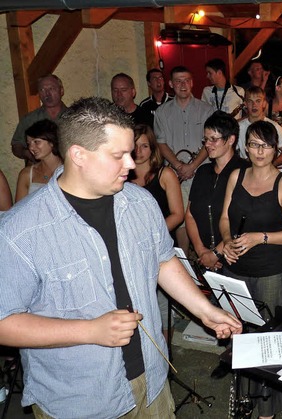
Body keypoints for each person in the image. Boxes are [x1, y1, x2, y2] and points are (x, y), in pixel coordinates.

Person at [0, 97, 241, 418]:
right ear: (78, 155)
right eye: (118, 155)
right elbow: (4, 322)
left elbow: (163, 260)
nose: (131, 164)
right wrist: (89, 331)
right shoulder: (20, 230)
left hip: (151, 379)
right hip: (79, 397)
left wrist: (204, 310)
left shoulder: (139, 202)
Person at [219, 121, 282, 419]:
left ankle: (268, 411)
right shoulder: (235, 176)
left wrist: (260, 238)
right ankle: (245, 401)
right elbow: (225, 219)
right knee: (241, 338)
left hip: (270, 271)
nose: (259, 151)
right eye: (254, 144)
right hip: (236, 270)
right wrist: (227, 241)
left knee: (268, 342)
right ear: (245, 146)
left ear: (276, 149)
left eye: (266, 145)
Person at [128, 124, 184, 342]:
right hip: (131, 247)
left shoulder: (165, 174)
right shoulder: (122, 176)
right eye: (135, 146)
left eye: (144, 146)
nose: (139, 151)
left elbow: (177, 214)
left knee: (161, 302)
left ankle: (165, 347)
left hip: (158, 245)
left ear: (153, 148)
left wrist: (152, 237)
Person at [155, 65, 214, 251]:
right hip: (175, 176)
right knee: (179, 218)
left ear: (192, 83)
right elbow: (161, 143)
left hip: (202, 172)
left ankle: (205, 258)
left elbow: (211, 141)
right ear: (171, 84)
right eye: (178, 81)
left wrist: (193, 166)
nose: (183, 85)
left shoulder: (207, 110)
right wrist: (179, 166)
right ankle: (186, 260)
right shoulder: (162, 112)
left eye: (187, 80)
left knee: (204, 216)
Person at [186, 111, 250, 274]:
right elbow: (190, 214)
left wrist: (216, 254)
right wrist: (202, 252)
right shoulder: (203, 172)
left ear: (231, 140)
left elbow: (243, 221)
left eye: (213, 139)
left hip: (236, 258)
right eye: (206, 139)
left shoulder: (245, 171)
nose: (207, 144)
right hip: (205, 258)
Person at [11, 74, 67, 163]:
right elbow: (16, 145)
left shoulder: (74, 117)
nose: (47, 94)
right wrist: (27, 153)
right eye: (42, 90)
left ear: (61, 91)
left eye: (51, 88)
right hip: (39, 171)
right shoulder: (29, 119)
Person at [238, 86, 282, 166]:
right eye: (250, 101)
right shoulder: (238, 128)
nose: (254, 105)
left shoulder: (274, 126)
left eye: (258, 101)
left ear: (264, 103)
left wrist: (271, 166)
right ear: (245, 104)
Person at [15, 119, 62, 202]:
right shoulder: (26, 174)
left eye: (36, 142)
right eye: (29, 143)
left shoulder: (69, 170)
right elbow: (19, 211)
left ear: (52, 142)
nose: (31, 148)